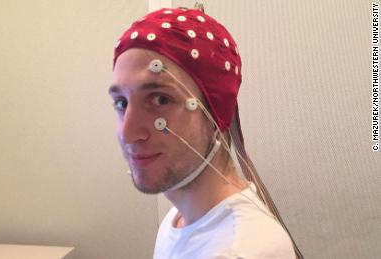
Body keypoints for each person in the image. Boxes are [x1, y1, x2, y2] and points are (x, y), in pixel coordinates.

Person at [109, 5, 304, 259]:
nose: (128, 132)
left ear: (216, 114)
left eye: (160, 99)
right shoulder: (179, 219)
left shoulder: (241, 251)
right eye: (122, 103)